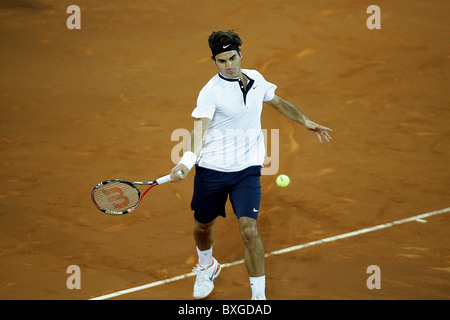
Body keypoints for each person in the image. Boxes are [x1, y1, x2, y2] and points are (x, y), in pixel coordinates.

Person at [170, 29, 332, 300]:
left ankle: (259, 297)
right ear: (215, 63)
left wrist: (305, 121)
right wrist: (186, 163)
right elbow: (198, 131)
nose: (229, 66)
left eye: (232, 58)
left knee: (249, 229)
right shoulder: (210, 92)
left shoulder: (256, 78)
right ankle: (207, 264)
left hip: (247, 169)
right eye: (222, 61)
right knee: (202, 227)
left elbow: (279, 103)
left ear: (240, 54)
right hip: (213, 169)